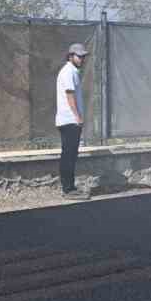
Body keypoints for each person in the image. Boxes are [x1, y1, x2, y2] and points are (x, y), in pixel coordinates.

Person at [56, 43, 88, 198]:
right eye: (79, 56)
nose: (82, 59)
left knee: (70, 154)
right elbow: (69, 95)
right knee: (69, 155)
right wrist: (78, 117)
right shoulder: (69, 72)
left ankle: (70, 187)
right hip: (70, 120)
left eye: (83, 56)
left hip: (69, 120)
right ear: (70, 56)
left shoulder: (71, 71)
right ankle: (68, 189)